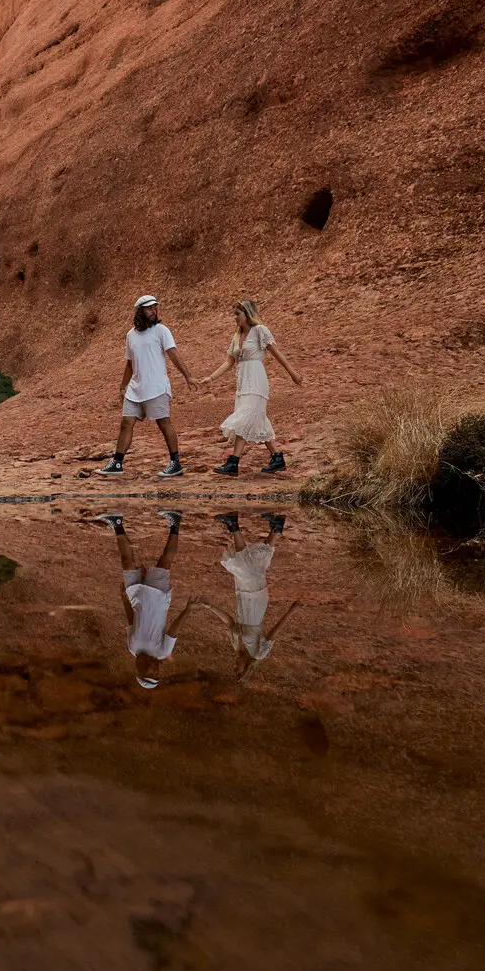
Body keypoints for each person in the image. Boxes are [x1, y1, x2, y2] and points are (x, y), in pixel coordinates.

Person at [96, 294, 198, 478]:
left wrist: (187, 377)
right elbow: (129, 363)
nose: (153, 311)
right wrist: (122, 386)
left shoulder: (161, 331)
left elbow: (173, 354)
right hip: (135, 388)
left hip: (156, 387)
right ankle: (117, 463)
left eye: (155, 308)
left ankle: (175, 463)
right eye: (149, 308)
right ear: (140, 311)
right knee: (126, 423)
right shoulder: (130, 335)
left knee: (163, 422)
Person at [97, 510, 198, 687]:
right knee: (164, 561)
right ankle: (175, 523)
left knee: (127, 562)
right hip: (157, 599)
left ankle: (117, 523)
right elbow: (174, 630)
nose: (157, 670)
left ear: (141, 671)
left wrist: (123, 598)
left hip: (136, 599)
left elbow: (131, 620)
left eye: (153, 673)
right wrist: (188, 609)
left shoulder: (132, 648)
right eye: (157, 674)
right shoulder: (162, 652)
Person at [201, 299, 302, 475]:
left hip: (256, 380)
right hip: (243, 382)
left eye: (237, 314)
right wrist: (211, 378)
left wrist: (292, 373)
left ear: (247, 314)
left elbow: (276, 353)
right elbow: (228, 362)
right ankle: (277, 458)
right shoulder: (237, 336)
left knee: (245, 417)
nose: (235, 318)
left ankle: (233, 463)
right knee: (257, 419)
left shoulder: (259, 331)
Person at [203, 512, 300, 681]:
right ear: (246, 669)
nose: (235, 666)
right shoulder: (258, 654)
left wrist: (210, 607)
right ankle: (233, 525)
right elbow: (274, 632)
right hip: (255, 604)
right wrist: (291, 612)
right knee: (244, 567)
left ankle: (277, 528)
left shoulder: (236, 647)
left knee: (253, 567)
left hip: (242, 600)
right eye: (238, 670)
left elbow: (229, 622)